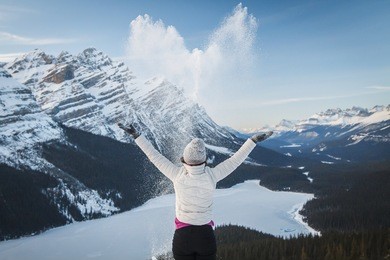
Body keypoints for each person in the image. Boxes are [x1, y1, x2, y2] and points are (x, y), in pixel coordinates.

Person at [118, 123, 272, 260]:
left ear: (183, 160)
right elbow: (235, 160)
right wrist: (253, 141)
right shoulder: (212, 175)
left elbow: (154, 156)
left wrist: (136, 135)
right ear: (205, 161)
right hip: (205, 236)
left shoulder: (177, 175)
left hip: (182, 238)